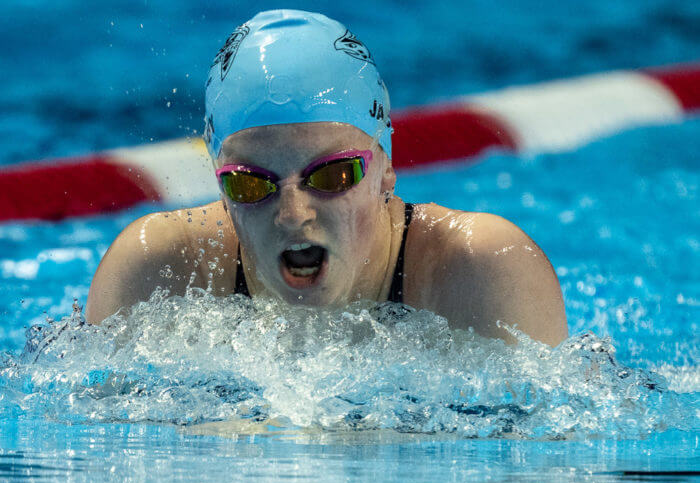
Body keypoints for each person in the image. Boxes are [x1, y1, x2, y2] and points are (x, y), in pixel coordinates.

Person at [86, 9, 567, 346]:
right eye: (251, 183)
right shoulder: (156, 273)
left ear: (385, 168)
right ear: (220, 185)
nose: (293, 215)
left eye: (333, 175)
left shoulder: (479, 272)